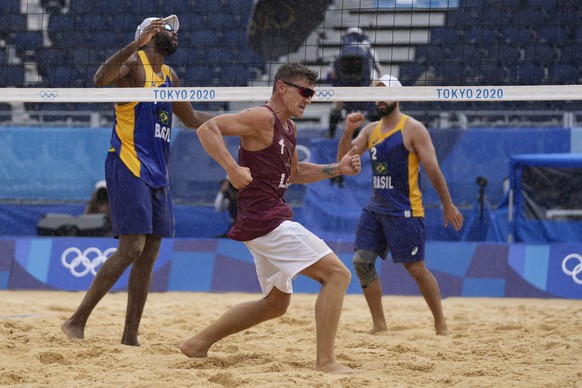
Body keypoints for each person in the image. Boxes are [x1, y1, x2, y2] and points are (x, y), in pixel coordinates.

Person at [179, 62, 361, 374]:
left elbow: (296, 173)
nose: (309, 98)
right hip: (267, 220)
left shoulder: (289, 128)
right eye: (304, 91)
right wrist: (231, 168)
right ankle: (327, 362)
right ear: (281, 87)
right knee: (338, 275)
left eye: (312, 94)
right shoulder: (262, 117)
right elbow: (206, 128)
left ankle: (198, 343)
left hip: (262, 220)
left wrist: (337, 168)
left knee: (275, 305)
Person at [61, 15, 213, 346]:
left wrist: (246, 120)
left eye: (176, 30)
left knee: (150, 253)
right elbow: (100, 79)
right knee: (132, 247)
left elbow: (191, 119)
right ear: (151, 33)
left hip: (158, 170)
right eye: (170, 29)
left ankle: (130, 336)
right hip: (128, 162)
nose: (176, 36)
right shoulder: (134, 62)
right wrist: (135, 43)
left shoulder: (170, 76)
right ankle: (76, 321)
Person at [336, 74, 464, 336]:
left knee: (416, 268)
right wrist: (348, 131)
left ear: (398, 96)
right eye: (376, 95)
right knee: (362, 261)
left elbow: (433, 169)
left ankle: (440, 323)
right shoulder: (370, 130)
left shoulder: (413, 129)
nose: (379, 99)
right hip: (376, 208)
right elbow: (343, 163)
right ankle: (379, 325)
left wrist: (447, 205)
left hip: (405, 210)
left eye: (384, 94)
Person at [326, 26, 382, 139]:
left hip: (345, 86)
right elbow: (379, 70)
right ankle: (380, 133)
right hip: (366, 85)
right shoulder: (369, 50)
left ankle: (331, 134)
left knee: (337, 106)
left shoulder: (339, 52)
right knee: (375, 106)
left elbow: (332, 75)